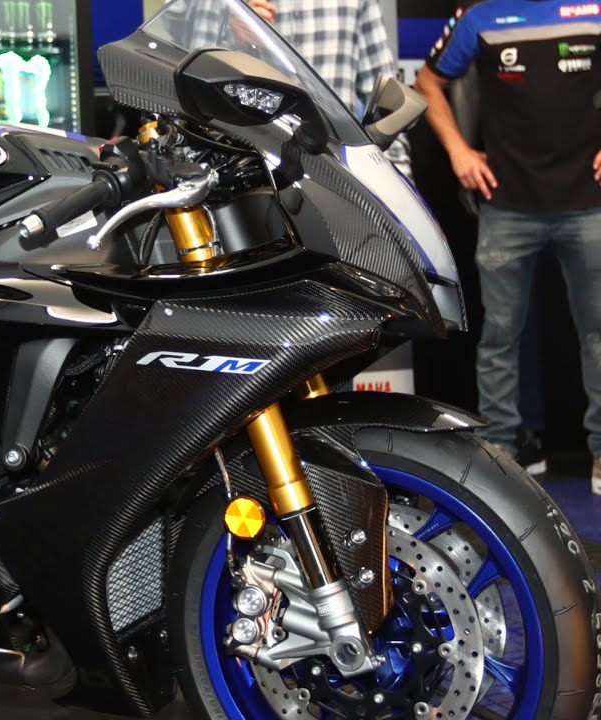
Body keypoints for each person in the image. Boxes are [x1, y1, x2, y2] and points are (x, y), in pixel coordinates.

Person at [414, 1, 601, 489]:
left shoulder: (591, 9)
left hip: (589, 203)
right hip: (507, 205)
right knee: (500, 339)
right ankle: (500, 457)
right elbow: (427, 82)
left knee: (599, 336)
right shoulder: (481, 15)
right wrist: (458, 149)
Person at [246, 0, 412, 177]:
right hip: (252, 161)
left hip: (336, 169)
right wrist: (235, 32)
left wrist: (398, 179)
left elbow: (385, 108)